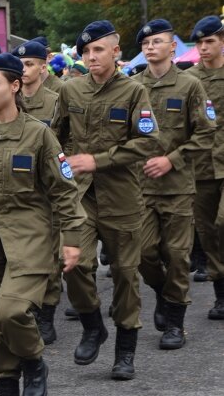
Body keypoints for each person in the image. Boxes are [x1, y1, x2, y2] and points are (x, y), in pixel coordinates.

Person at [0, 53, 84, 396]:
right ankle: (6, 385)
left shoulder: (39, 136)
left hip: (30, 240)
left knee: (10, 314)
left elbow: (64, 192)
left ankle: (35, 362)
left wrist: (72, 239)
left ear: (15, 85)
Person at [54, 20, 161, 380]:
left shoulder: (134, 93)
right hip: (81, 197)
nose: (91, 56)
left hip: (122, 197)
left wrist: (98, 160)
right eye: (85, 51)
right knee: (74, 263)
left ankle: (125, 349)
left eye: (98, 49)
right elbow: (55, 137)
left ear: (116, 52)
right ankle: (92, 325)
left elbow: (148, 142)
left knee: (126, 276)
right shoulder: (71, 91)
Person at [132, 19, 215, 350]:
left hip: (178, 187)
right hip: (140, 187)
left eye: (158, 42)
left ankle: (175, 324)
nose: (151, 47)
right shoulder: (133, 87)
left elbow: (207, 132)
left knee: (178, 256)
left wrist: (172, 159)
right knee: (142, 252)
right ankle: (164, 293)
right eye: (146, 43)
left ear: (172, 47)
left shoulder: (190, 85)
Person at [11, 40, 62, 344]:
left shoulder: (57, 101)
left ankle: (47, 311)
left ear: (43, 66)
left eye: (30, 64)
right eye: (21, 65)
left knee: (49, 253)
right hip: (17, 191)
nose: (25, 70)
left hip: (46, 190)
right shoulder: (10, 101)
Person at [184, 15, 224, 320]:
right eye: (199, 42)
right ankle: (221, 294)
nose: (204, 47)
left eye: (209, 41)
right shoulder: (191, 81)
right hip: (202, 166)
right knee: (207, 231)